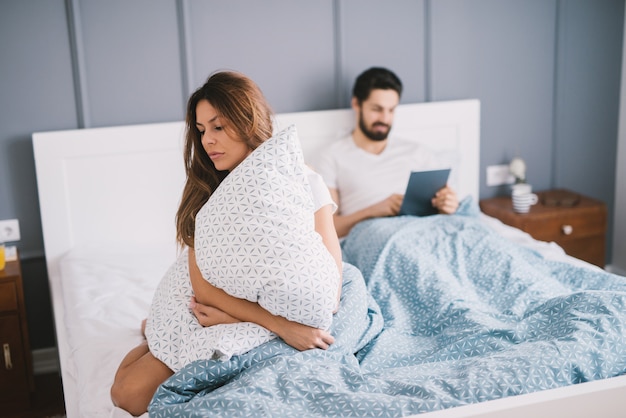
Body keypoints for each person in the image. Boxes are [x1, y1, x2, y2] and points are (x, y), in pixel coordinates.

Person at [110, 71, 343, 416]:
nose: (207, 141)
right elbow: (202, 288)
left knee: (135, 393)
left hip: (254, 308)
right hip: (207, 299)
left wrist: (244, 321)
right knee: (126, 394)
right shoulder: (208, 189)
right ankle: (156, 332)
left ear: (247, 119)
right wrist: (276, 326)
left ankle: (156, 333)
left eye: (218, 127)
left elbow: (332, 288)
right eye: (202, 130)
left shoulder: (302, 180)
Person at [314, 67, 459, 238]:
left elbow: (442, 210)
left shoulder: (418, 152)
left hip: (425, 231)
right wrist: (374, 211)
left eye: (391, 110)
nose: (384, 119)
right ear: (356, 104)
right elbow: (327, 228)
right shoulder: (332, 156)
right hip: (375, 236)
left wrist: (447, 205)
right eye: (377, 109)